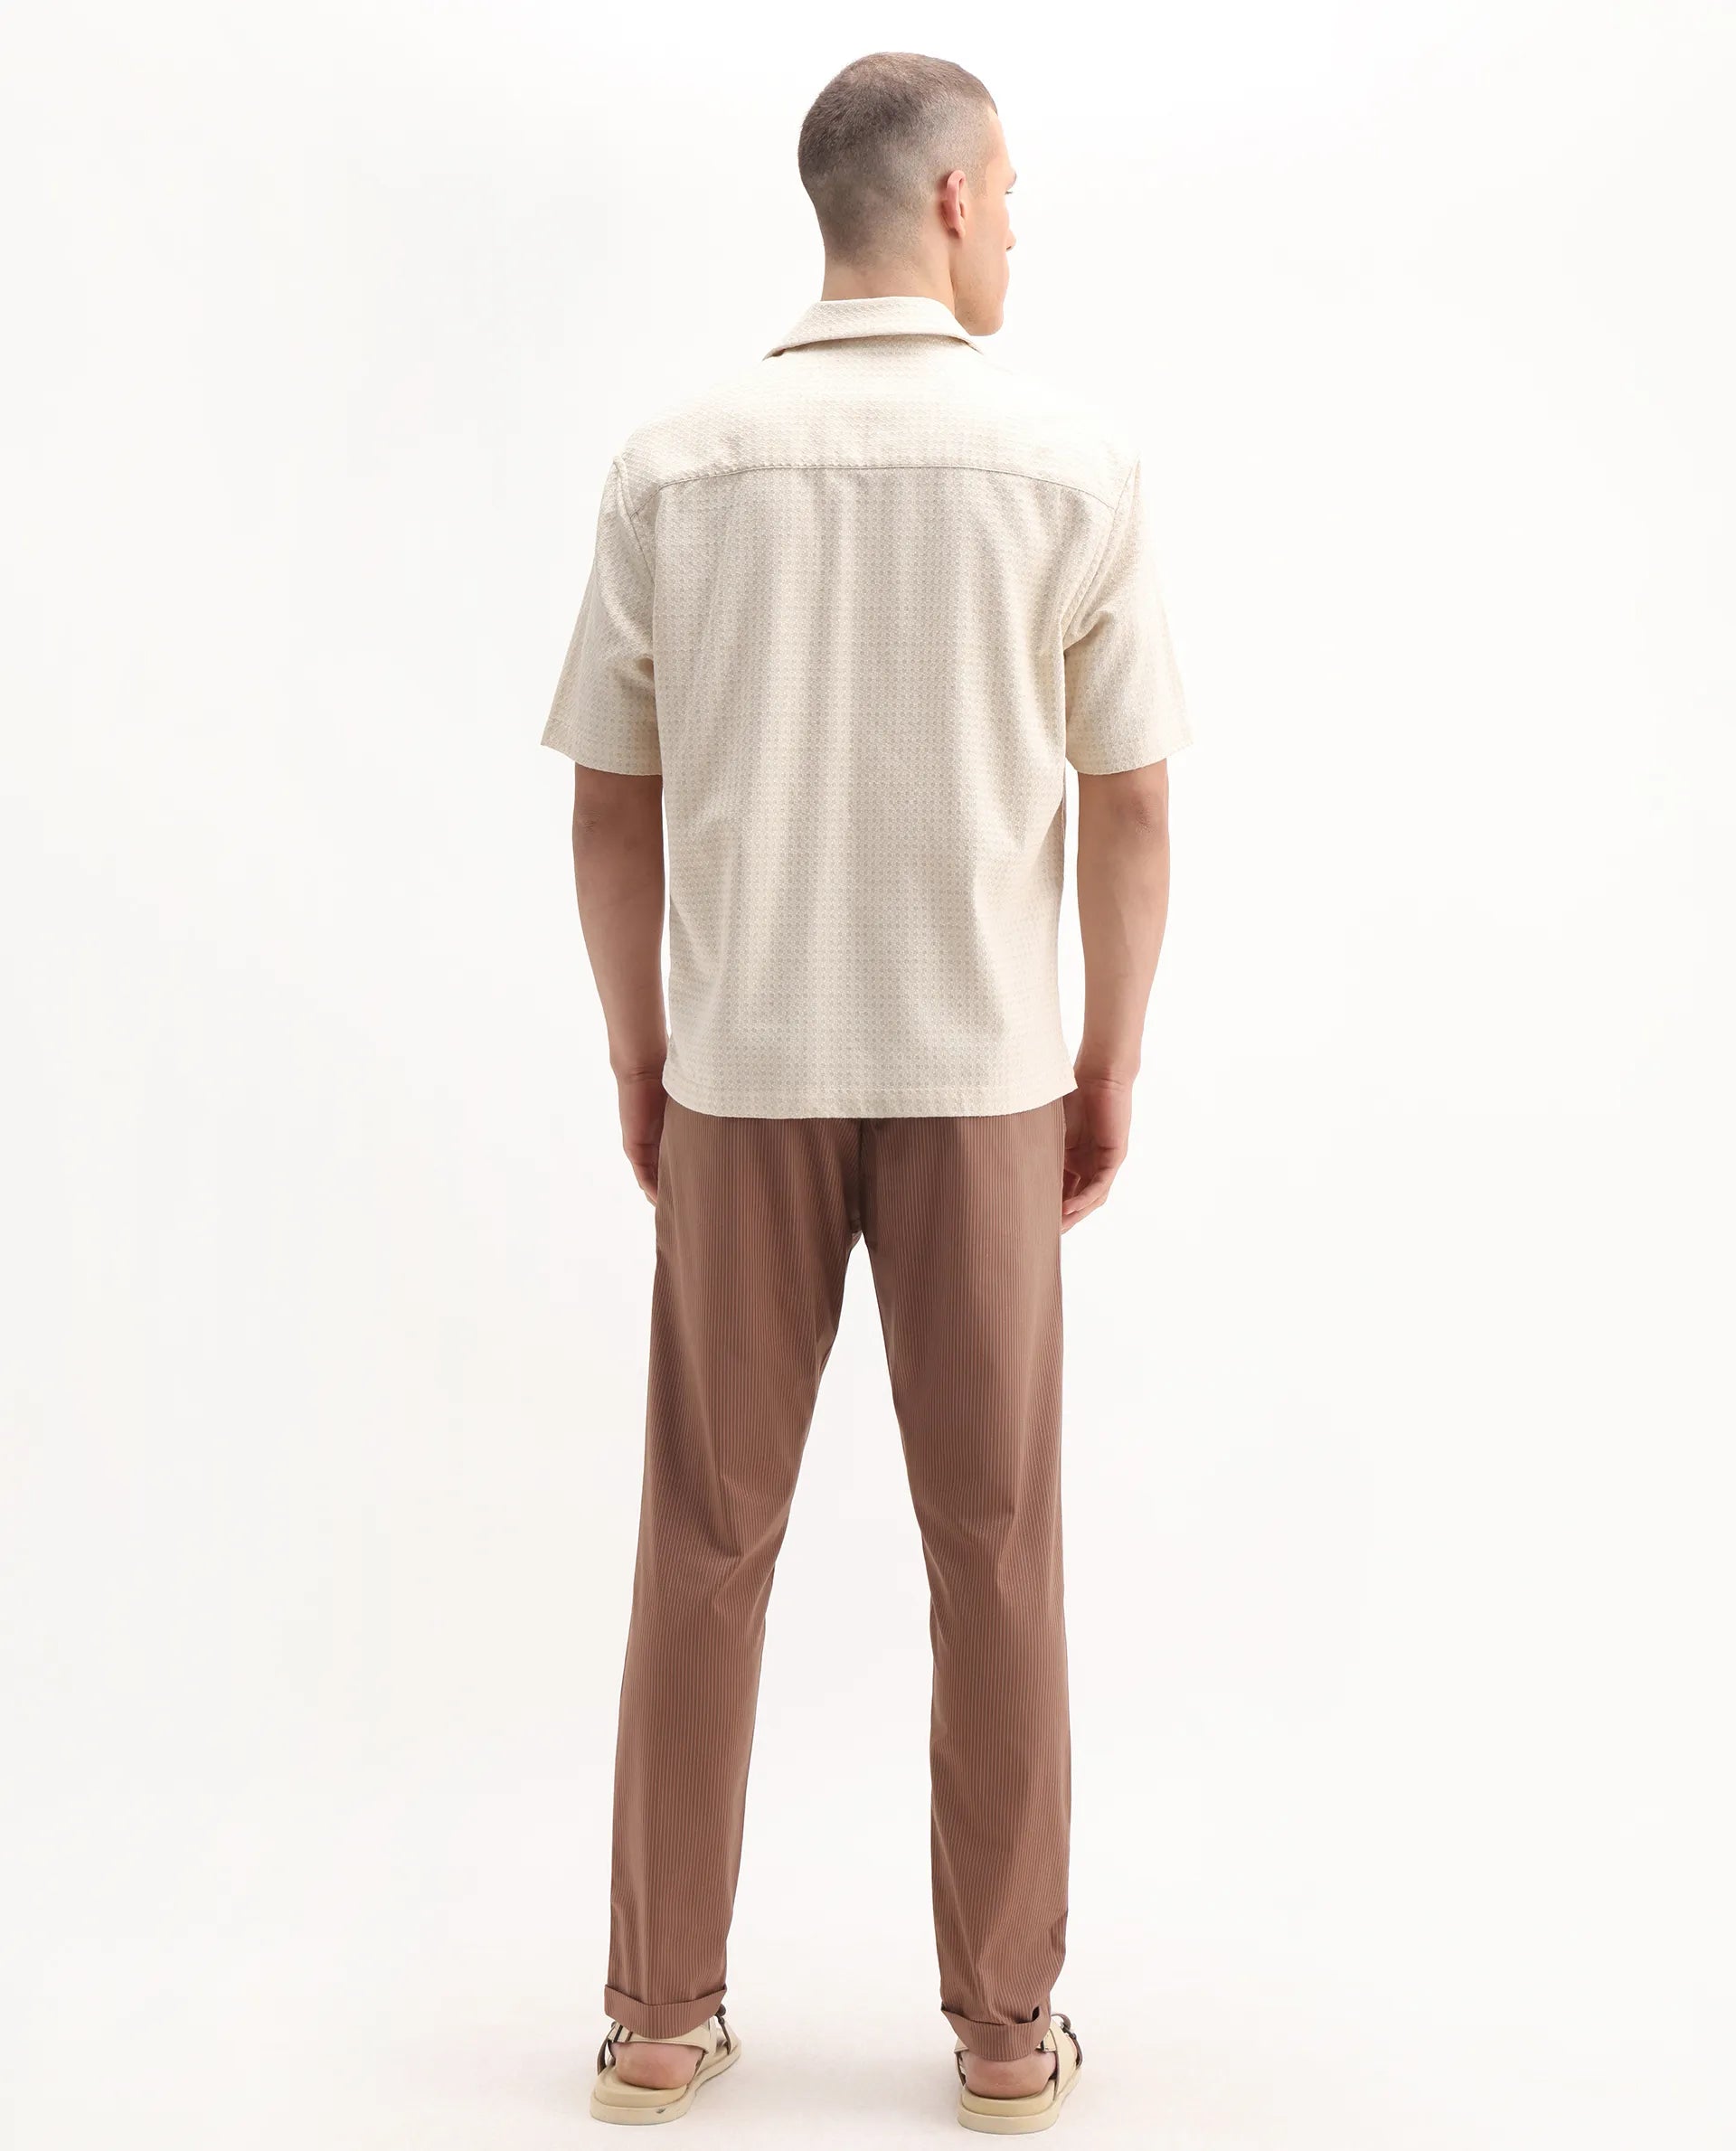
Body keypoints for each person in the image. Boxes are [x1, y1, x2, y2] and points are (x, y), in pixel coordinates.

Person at [542, 50, 1192, 2133]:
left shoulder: (677, 464)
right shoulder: (1070, 461)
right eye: (1009, 190)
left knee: (701, 1534)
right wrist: (1108, 1053)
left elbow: (612, 805)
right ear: (950, 202)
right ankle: (1005, 2031)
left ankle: (657, 2018)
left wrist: (642, 1048)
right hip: (981, 1063)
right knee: (994, 1548)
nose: (1017, 225)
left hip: (744, 1066)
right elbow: (1133, 801)